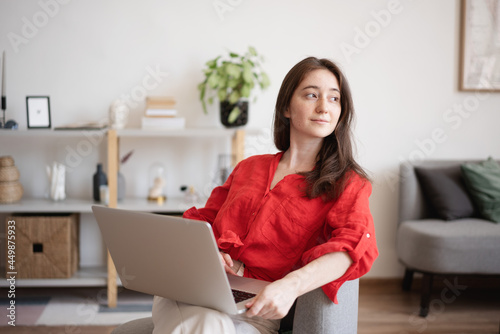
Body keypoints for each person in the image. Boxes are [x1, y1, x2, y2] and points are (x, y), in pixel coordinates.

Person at [152, 56, 378, 334]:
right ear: (286, 106)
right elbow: (203, 222)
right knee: (207, 322)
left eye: (334, 99)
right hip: (196, 289)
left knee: (209, 326)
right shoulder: (249, 167)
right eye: (311, 95)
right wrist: (213, 251)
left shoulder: (348, 182)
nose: (324, 107)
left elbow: (351, 247)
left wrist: (290, 285)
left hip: (254, 308)